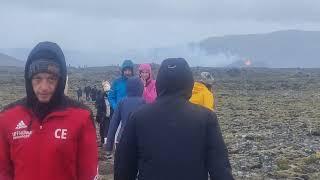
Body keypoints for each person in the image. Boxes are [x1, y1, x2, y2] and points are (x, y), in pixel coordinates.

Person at [114, 58, 233, 180]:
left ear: (160, 82)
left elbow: (124, 166)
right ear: (189, 83)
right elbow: (220, 168)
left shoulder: (138, 116)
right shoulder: (206, 117)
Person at [0, 41, 98, 180]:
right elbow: (3, 172)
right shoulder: (8, 117)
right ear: (29, 80)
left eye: (51, 79)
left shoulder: (81, 117)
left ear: (61, 80)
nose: (44, 87)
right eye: (37, 79)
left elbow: (88, 174)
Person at [105, 77, 145, 155]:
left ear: (127, 88)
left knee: (122, 165)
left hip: (122, 139)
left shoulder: (122, 102)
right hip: (139, 140)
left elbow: (113, 124)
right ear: (141, 88)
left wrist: (109, 146)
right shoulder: (144, 102)